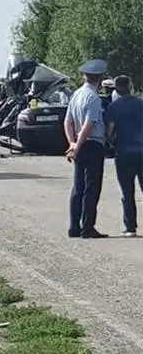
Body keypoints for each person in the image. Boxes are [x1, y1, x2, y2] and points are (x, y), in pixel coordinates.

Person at [64, 59, 109, 239]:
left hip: (79, 144)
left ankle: (74, 226)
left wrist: (72, 143)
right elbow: (88, 125)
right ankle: (87, 227)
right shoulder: (93, 98)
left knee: (78, 187)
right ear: (99, 78)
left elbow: (68, 122)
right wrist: (79, 144)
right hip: (91, 144)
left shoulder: (76, 94)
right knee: (91, 188)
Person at [105, 75, 143, 237]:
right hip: (142, 151)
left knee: (127, 192)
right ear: (130, 86)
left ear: (116, 88)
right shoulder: (141, 104)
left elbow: (110, 131)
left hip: (124, 153)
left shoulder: (114, 107)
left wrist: (111, 143)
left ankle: (130, 227)